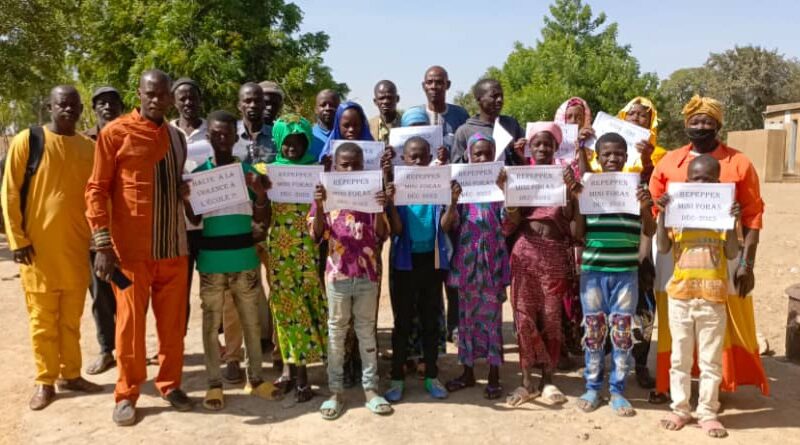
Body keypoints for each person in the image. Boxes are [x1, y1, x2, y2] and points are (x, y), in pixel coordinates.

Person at [86, 69, 194, 426]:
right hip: (131, 254)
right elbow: (96, 190)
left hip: (173, 249)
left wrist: (182, 192)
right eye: (151, 93)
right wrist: (102, 244)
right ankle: (127, 393)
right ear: (139, 93)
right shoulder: (115, 133)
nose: (157, 99)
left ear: (170, 97)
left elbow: (176, 182)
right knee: (129, 327)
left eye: (163, 94)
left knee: (173, 325)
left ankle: (170, 383)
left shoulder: (177, 137)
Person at [649, 95, 769, 403]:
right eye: (695, 121)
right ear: (686, 124)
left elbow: (752, 215)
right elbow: (654, 207)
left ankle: (715, 385)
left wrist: (747, 264)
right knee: (675, 319)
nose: (700, 126)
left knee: (720, 318)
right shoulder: (669, 162)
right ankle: (673, 384)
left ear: (718, 125)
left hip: (724, 253)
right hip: (674, 254)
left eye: (707, 122)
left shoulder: (739, 163)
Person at [2, 85, 102, 411]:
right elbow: (10, 194)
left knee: (71, 319)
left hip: (75, 252)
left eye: (74, 105)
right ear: (49, 106)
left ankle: (71, 375)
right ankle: (45, 380)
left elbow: (97, 197)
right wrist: (17, 240)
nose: (69, 110)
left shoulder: (88, 148)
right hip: (37, 253)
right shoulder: (27, 142)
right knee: (42, 320)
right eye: (63, 104)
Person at [188, 110, 281, 411]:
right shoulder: (200, 174)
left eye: (227, 133)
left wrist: (261, 194)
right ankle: (214, 383)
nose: (222, 138)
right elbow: (195, 217)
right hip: (212, 261)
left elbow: (262, 219)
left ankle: (255, 378)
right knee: (211, 322)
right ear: (209, 137)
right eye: (216, 134)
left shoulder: (249, 172)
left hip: (244, 258)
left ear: (234, 137)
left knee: (251, 321)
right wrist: (185, 198)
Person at [656, 155, 741, 438]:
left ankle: (707, 412)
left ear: (717, 182)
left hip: (713, 297)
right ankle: (680, 408)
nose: (701, 182)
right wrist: (663, 215)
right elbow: (664, 247)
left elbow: (731, 253)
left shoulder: (721, 213)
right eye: (695, 178)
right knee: (679, 358)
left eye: (708, 179)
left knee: (710, 360)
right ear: (687, 180)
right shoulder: (679, 211)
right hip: (681, 295)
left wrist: (731, 220)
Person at [574, 132, 655, 417]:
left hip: (626, 272)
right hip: (593, 271)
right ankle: (593, 387)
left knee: (622, 333)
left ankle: (618, 390)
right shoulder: (588, 187)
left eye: (618, 153)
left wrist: (645, 207)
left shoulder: (637, 186)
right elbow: (578, 234)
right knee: (594, 332)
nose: (612, 158)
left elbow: (651, 230)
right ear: (597, 156)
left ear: (626, 156)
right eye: (606, 154)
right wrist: (577, 203)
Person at [310, 142, 393, 419]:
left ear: (363, 166)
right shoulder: (326, 195)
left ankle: (371, 389)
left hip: (367, 274)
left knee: (366, 331)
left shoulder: (371, 194)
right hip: (337, 275)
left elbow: (381, 234)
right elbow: (316, 235)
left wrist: (380, 209)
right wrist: (320, 205)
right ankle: (336, 391)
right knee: (336, 333)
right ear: (334, 167)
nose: (349, 169)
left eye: (355, 164)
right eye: (343, 164)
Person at [503, 122, 578, 407]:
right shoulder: (520, 177)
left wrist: (572, 191)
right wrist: (509, 197)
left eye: (548, 144)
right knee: (523, 318)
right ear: (530, 148)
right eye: (538, 144)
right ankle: (526, 382)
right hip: (525, 254)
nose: (543, 148)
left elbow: (571, 219)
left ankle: (548, 380)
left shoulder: (564, 177)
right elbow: (510, 224)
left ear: (556, 147)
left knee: (551, 319)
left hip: (555, 255)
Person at [265, 114, 328, 403]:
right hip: (279, 249)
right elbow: (261, 216)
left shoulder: (317, 171)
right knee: (285, 308)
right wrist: (260, 192)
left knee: (305, 306)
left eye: (299, 141)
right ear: (278, 141)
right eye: (286, 142)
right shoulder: (268, 171)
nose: (292, 147)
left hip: (307, 248)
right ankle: (293, 371)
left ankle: (304, 372)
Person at [383, 136, 450, 403]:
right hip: (405, 264)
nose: (419, 161)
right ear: (404, 159)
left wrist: (453, 201)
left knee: (430, 321)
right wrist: (391, 203)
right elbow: (397, 230)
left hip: (431, 264)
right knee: (402, 323)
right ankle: (397, 378)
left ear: (430, 156)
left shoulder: (437, 186)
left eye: (423, 156)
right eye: (413, 157)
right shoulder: (399, 189)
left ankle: (431, 375)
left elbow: (444, 226)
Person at [442, 133, 509, 400]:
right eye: (477, 154)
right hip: (467, 260)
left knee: (492, 319)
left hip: (491, 260)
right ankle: (467, 372)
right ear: (469, 156)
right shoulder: (462, 188)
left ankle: (493, 375)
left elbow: (507, 224)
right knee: (466, 319)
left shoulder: (499, 188)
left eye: (487, 154)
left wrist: (505, 192)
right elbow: (448, 226)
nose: (482, 159)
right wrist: (453, 200)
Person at [408, 65, 470, 342]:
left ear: (448, 84)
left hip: (452, 195)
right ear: (424, 85)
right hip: (422, 199)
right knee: (430, 266)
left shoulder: (459, 115)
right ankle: (434, 325)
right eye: (430, 82)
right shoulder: (414, 116)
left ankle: (455, 326)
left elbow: (466, 153)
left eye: (440, 82)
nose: (435, 86)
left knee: (453, 264)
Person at [318, 101, 375, 388]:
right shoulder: (327, 181)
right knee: (338, 326)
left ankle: (366, 380)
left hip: (366, 268)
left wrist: (383, 201)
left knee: (364, 326)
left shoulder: (371, 179)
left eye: (356, 124)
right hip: (338, 268)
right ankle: (337, 384)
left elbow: (383, 230)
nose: (351, 129)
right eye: (345, 124)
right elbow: (318, 229)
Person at [614, 96, 668, 389]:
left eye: (642, 115)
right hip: (612, 232)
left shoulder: (662, 156)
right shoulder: (607, 152)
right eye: (631, 114)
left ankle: (640, 363)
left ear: (651, 121)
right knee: (613, 299)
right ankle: (613, 362)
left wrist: (647, 161)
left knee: (644, 300)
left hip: (644, 233)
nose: (636, 119)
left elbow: (661, 191)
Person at [84, 86, 124, 376]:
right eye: (102, 103)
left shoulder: (128, 136)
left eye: (113, 103)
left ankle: (129, 347)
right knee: (100, 294)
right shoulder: (83, 142)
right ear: (94, 107)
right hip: (95, 234)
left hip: (127, 234)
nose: (107, 107)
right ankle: (107, 349)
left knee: (127, 292)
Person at [452, 78, 525, 165]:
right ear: (479, 99)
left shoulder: (511, 124)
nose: (499, 100)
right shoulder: (464, 131)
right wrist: (468, 155)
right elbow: (455, 167)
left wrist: (520, 149)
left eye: (501, 96)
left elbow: (526, 159)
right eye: (494, 96)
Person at [234, 82, 277, 165]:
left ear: (264, 105)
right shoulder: (230, 135)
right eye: (248, 101)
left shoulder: (276, 136)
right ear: (239, 105)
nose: (253, 105)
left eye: (257, 101)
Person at [309, 89, 340, 161]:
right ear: (316, 109)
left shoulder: (348, 136)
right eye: (323, 105)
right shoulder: (307, 137)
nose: (328, 108)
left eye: (332, 105)